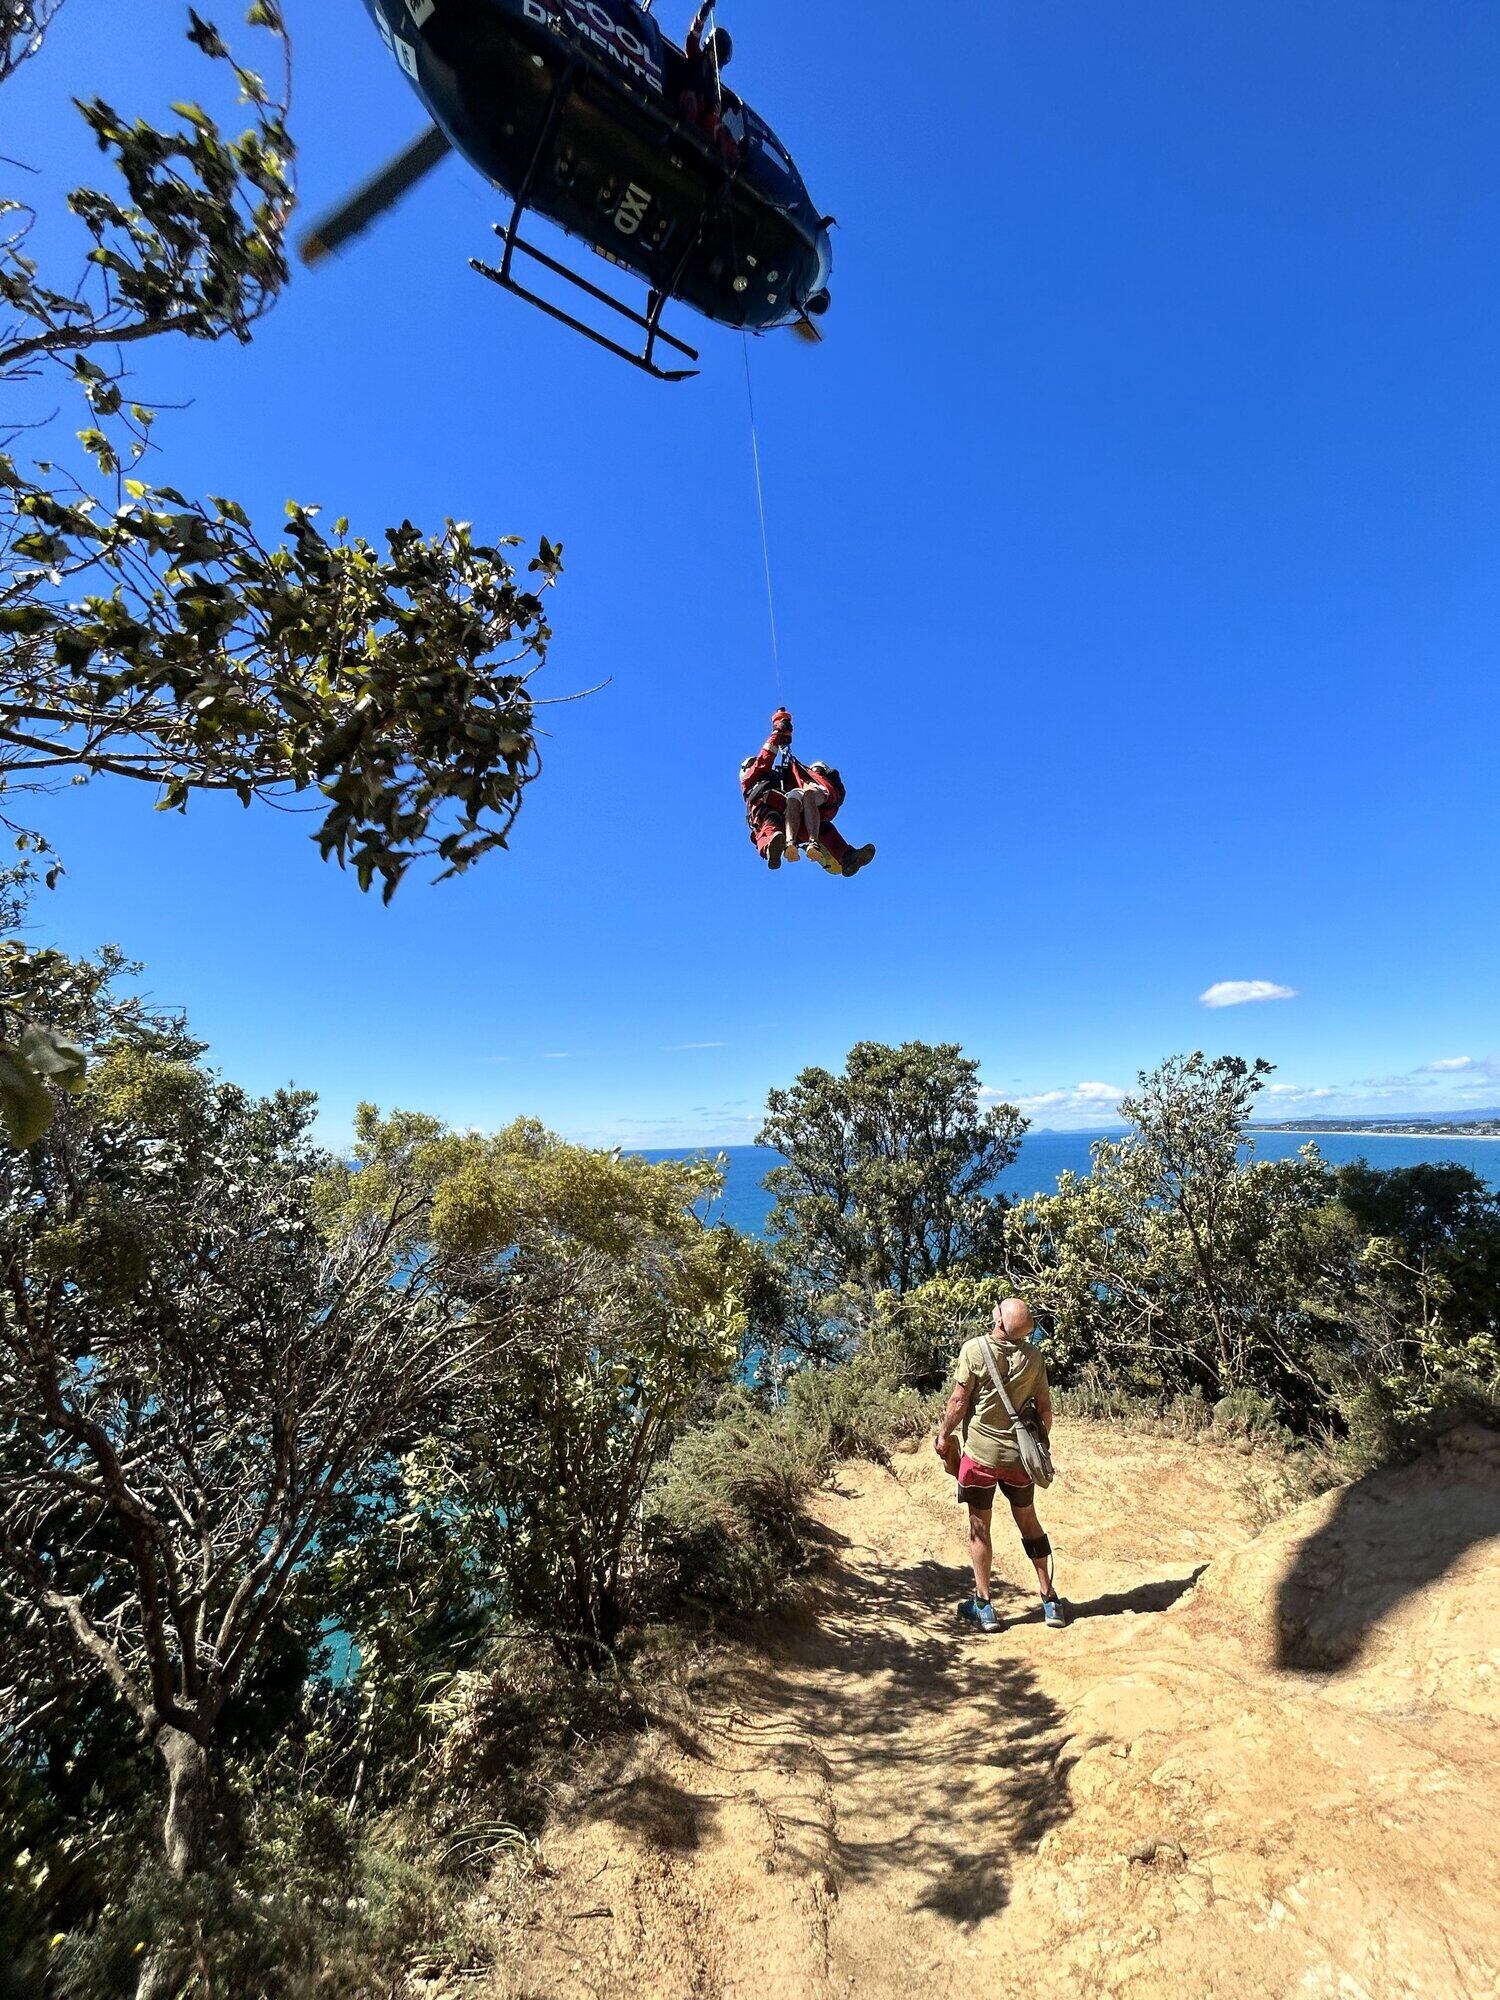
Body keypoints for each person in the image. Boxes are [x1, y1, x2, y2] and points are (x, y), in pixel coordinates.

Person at [933, 1298, 1068, 1632]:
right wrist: (1035, 1446)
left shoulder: (974, 1350)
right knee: (1029, 1522)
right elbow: (1045, 1410)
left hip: (981, 1457)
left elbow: (958, 1402)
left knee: (980, 1528)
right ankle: (1050, 1600)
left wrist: (943, 1434)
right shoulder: (1034, 1357)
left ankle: (984, 1606)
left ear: (999, 1322)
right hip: (1019, 1461)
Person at [738, 709, 876, 876]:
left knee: (823, 827)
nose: (755, 764)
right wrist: (777, 732)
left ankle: (847, 857)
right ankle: (771, 847)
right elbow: (765, 757)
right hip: (773, 820)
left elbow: (794, 781)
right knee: (771, 820)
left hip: (793, 822)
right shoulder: (750, 780)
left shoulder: (779, 780)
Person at [679, 1, 739, 160]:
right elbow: (694, 32)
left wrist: (716, 112)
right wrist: (705, 10)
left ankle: (729, 158)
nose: (715, 61)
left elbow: (712, 113)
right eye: (716, 54)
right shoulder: (696, 56)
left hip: (703, 122)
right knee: (690, 100)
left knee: (718, 125)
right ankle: (683, 133)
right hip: (687, 105)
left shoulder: (714, 84)